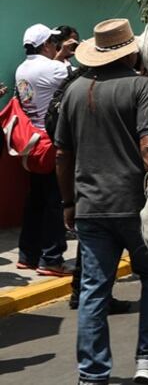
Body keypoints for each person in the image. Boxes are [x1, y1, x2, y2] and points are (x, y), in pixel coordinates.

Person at [53, 19, 148, 385]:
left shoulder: (74, 91)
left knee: (94, 290)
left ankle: (92, 375)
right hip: (136, 204)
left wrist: (68, 203)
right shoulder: (140, 86)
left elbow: (62, 154)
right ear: (130, 52)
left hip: (90, 207)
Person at [14, 23, 72, 277]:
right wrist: (66, 56)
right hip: (52, 141)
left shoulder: (21, 69)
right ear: (46, 45)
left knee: (35, 200)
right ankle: (51, 258)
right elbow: (78, 78)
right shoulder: (54, 68)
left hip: (32, 142)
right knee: (55, 201)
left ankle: (27, 254)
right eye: (53, 42)